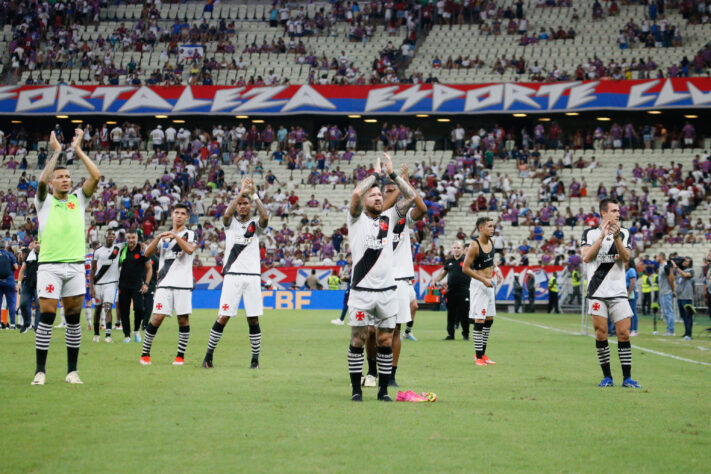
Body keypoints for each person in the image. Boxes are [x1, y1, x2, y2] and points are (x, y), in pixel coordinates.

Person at [32, 128, 101, 385]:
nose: (65, 180)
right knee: (48, 316)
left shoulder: (78, 199)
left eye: (68, 177)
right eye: (60, 177)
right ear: (52, 181)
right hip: (49, 266)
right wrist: (57, 152)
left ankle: (72, 371)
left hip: (74, 266)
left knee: (73, 319)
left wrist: (79, 150)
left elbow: (96, 176)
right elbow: (40, 183)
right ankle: (40, 371)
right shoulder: (44, 201)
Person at [346, 152, 414, 402]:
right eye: (372, 194)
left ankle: (383, 391)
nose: (377, 197)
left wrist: (393, 174)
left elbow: (411, 197)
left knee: (385, 339)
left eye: (379, 195)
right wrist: (375, 175)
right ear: (365, 200)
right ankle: (356, 390)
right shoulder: (355, 219)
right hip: (362, 291)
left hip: (387, 291)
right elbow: (354, 194)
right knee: (358, 338)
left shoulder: (390, 217)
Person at [202, 178, 268, 369]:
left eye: (245, 203)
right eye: (240, 203)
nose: (242, 206)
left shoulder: (256, 224)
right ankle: (208, 356)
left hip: (252, 277)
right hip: (232, 276)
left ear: (250, 206)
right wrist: (241, 192)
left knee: (253, 318)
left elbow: (265, 218)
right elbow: (226, 213)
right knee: (223, 316)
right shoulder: (230, 224)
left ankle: (255, 359)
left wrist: (253, 194)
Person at [581, 198, 640, 388]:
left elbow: (626, 258)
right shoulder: (589, 234)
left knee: (624, 334)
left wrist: (616, 239)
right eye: (614, 211)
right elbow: (586, 257)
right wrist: (602, 237)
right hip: (597, 291)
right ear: (603, 213)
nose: (618, 214)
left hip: (618, 292)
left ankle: (627, 378)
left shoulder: (624, 233)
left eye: (618, 211)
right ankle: (607, 377)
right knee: (601, 334)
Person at [378, 163, 427, 387]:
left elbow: (422, 209)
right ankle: (371, 370)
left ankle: (391, 376)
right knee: (372, 331)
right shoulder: (373, 215)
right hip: (377, 279)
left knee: (395, 329)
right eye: (387, 191)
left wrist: (405, 183)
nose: (392, 194)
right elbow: (384, 207)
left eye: (393, 189)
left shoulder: (403, 218)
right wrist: (398, 180)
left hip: (399, 280)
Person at [140, 204, 197, 366]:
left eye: (183, 214)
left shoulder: (190, 234)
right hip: (164, 283)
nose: (179, 216)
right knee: (157, 317)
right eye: (176, 213)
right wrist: (158, 238)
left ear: (187, 217)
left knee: (183, 319)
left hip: (183, 284)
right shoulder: (163, 236)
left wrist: (176, 237)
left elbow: (190, 250)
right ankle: (145, 354)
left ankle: (180, 356)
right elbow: (146, 254)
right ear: (172, 215)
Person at [462, 217, 497, 367]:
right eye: (489, 226)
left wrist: (497, 271)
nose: (492, 229)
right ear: (481, 228)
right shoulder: (474, 246)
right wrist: (483, 280)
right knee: (480, 320)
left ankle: (483, 353)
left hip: (489, 283)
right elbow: (465, 268)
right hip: (479, 285)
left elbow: (490, 262)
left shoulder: (492, 242)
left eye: (493, 226)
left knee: (489, 319)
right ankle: (478, 356)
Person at [117, 229, 152, 343]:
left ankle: (136, 330)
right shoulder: (122, 250)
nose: (131, 240)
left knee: (139, 309)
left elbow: (149, 269)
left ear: (137, 238)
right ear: (126, 239)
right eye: (129, 238)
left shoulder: (142, 250)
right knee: (124, 311)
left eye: (133, 238)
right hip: (123, 285)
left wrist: (146, 284)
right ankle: (127, 335)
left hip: (137, 285)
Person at [89, 230, 122, 343]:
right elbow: (93, 269)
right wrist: (91, 287)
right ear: (105, 236)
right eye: (109, 234)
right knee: (97, 309)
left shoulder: (118, 248)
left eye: (113, 235)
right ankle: (96, 334)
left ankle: (108, 335)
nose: (111, 236)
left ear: (115, 237)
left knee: (108, 307)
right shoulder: (98, 251)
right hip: (98, 284)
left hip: (111, 284)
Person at [434, 240, 470, 340]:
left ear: (462, 249)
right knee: (451, 314)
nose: (456, 250)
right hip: (451, 291)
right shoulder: (449, 261)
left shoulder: (467, 260)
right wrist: (434, 280)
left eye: (458, 248)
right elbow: (442, 274)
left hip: (464, 290)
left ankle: (466, 334)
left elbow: (474, 273)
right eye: (454, 248)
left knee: (464, 313)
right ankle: (451, 334)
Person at [17, 242, 40, 333]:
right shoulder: (29, 256)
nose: (37, 244)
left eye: (38, 243)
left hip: (39, 285)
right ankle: (27, 323)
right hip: (28, 284)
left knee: (39, 306)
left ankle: (37, 327)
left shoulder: (45, 255)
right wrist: (19, 283)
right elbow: (22, 270)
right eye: (35, 243)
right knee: (22, 304)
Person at [673, 257, 695, 340]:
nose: (685, 262)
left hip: (687, 296)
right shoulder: (679, 272)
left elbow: (685, 275)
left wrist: (676, 267)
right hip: (680, 296)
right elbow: (678, 282)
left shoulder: (691, 270)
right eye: (684, 261)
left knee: (688, 315)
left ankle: (689, 333)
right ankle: (686, 332)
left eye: (687, 261)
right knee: (683, 316)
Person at [0, 242, 18, 329]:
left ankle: (0, 324)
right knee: (11, 303)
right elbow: (16, 267)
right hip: (9, 281)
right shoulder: (9, 254)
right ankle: (13, 324)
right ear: (5, 247)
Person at [656, 252, 675, 336]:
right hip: (662, 292)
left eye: (657, 256)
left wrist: (673, 290)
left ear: (661, 257)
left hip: (666, 292)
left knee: (668, 311)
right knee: (665, 311)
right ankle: (669, 329)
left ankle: (671, 330)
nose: (656, 258)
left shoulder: (665, 266)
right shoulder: (660, 266)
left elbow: (671, 279)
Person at [330, 253, 352, 325]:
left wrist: (345, 277)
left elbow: (353, 278)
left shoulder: (354, 267)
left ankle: (341, 320)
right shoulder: (351, 267)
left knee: (346, 303)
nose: (347, 260)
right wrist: (344, 279)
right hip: (352, 288)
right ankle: (352, 320)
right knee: (351, 304)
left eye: (348, 258)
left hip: (351, 289)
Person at [626, 259, 638, 336]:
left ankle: (634, 330)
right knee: (629, 312)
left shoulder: (631, 270)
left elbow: (632, 282)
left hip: (631, 292)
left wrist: (629, 293)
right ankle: (630, 329)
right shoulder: (627, 270)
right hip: (627, 291)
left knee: (632, 311)